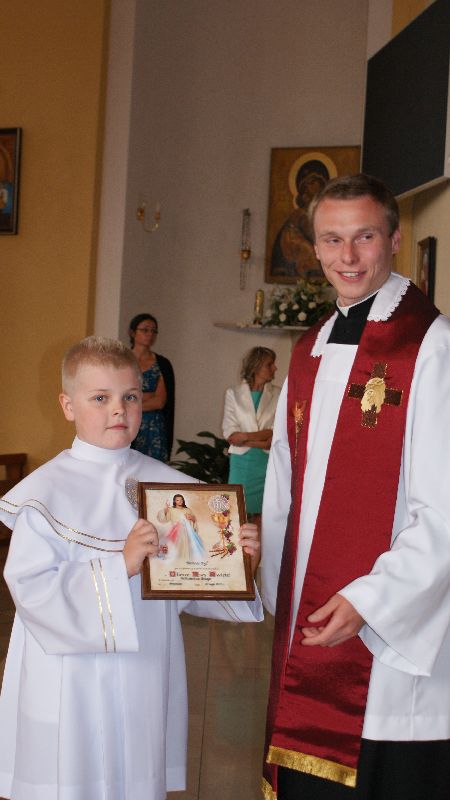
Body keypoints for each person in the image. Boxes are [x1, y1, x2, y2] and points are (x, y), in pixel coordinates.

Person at [0, 335, 263, 800]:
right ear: (68, 405)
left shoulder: (170, 487)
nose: (119, 410)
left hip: (144, 664)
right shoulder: (45, 494)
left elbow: (192, 579)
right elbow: (32, 590)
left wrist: (239, 562)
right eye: (100, 398)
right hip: (71, 678)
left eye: (131, 397)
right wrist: (118, 566)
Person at [261, 174, 450, 800]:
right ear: (314, 247)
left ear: (394, 239)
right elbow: (286, 484)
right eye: (331, 239)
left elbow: (444, 509)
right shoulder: (310, 349)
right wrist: (259, 560)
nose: (347, 256)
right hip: (314, 624)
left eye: (364, 237)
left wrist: (372, 600)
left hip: (388, 637)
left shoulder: (431, 346)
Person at [222, 346, 280, 523]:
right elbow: (231, 434)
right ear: (256, 367)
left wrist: (245, 437)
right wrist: (261, 440)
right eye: (269, 364)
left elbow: (274, 432)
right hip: (241, 463)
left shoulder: (278, 394)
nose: (275, 368)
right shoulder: (233, 393)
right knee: (236, 511)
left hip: (266, 462)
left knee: (263, 516)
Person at [129, 313, 175, 462]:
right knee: (126, 470)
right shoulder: (121, 360)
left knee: (152, 470)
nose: (150, 334)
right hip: (126, 422)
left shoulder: (162, 363)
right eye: (145, 330)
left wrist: (132, 403)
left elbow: (159, 401)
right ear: (132, 333)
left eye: (154, 331)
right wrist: (147, 396)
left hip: (153, 427)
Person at [157, 493, 205, 560]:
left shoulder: (187, 510)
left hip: (187, 533)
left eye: (181, 500)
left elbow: (193, 521)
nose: (180, 501)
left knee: (187, 550)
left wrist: (192, 518)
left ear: (183, 500)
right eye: (177, 500)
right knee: (176, 550)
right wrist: (166, 510)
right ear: (174, 501)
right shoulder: (171, 510)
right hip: (176, 532)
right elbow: (163, 519)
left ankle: (186, 561)